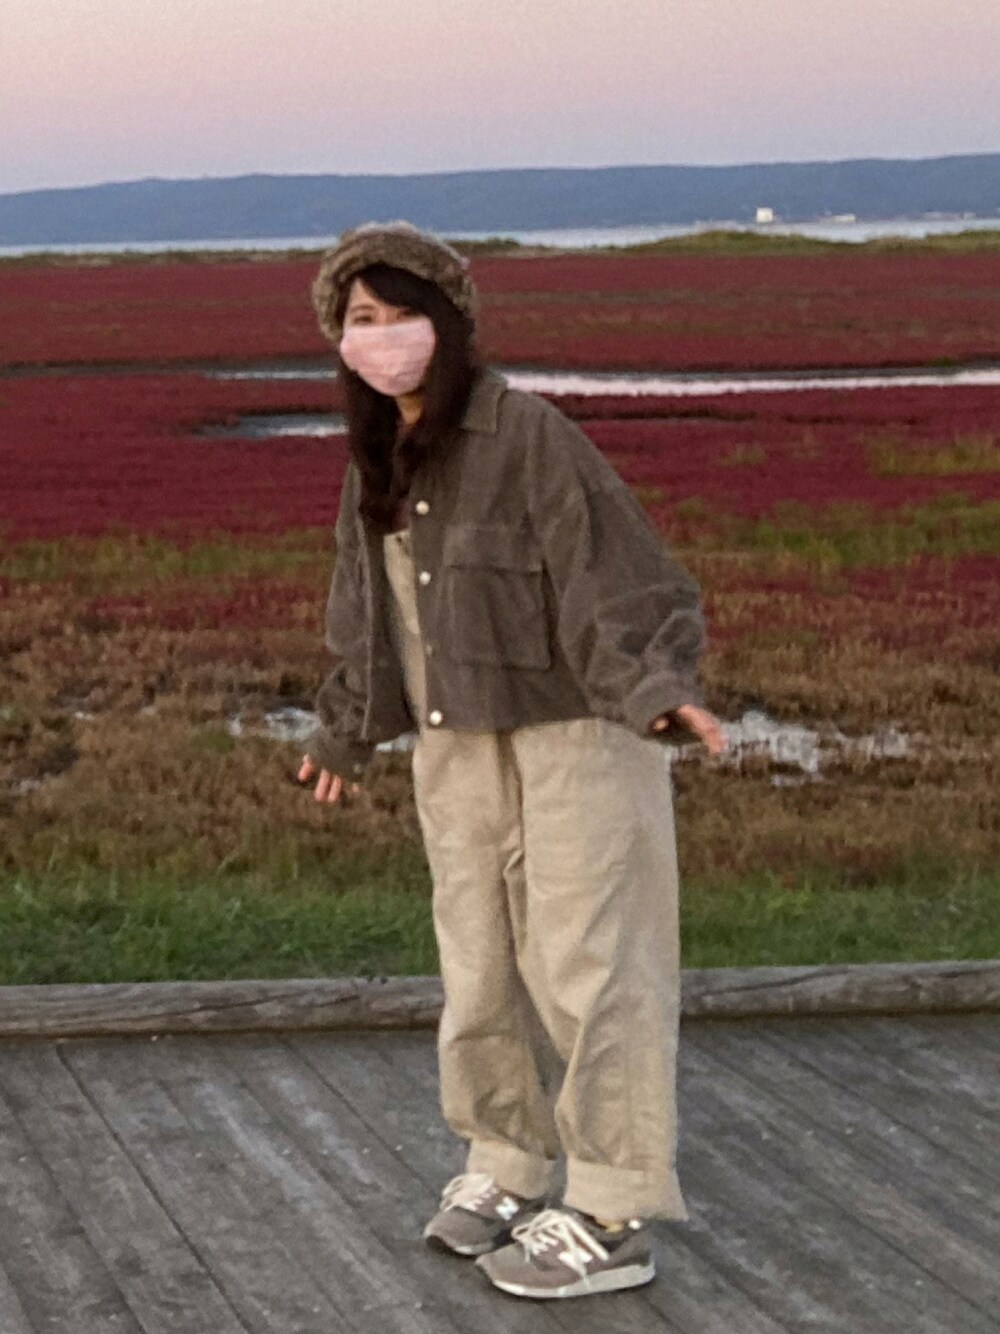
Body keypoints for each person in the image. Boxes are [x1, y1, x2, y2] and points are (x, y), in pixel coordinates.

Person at [298, 220, 726, 1301]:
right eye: (362, 318)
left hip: (575, 729)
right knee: (478, 963)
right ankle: (507, 1157)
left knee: (591, 962)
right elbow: (368, 608)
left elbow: (614, 570)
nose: (384, 336)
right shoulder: (378, 456)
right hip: (459, 741)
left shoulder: (527, 432)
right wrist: (348, 727)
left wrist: (655, 686)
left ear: (448, 324)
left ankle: (614, 1208)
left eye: (403, 314)